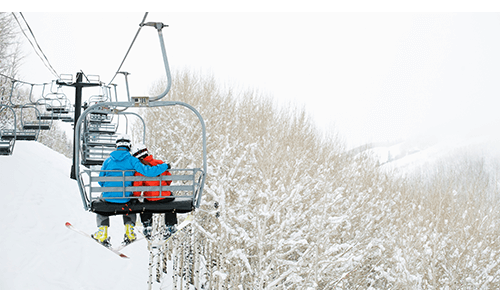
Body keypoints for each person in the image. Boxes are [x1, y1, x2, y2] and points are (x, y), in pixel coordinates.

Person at [91, 134, 171, 247]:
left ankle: (102, 233)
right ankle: (129, 232)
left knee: (101, 202)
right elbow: (148, 172)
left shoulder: (108, 161)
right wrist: (164, 166)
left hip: (108, 197)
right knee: (130, 200)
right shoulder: (132, 160)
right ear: (129, 146)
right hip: (125, 197)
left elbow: (100, 181)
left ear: (117, 145)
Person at [131, 143, 177, 240]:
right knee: (170, 200)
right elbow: (169, 179)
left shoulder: (140, 169)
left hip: (150, 199)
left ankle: (147, 225)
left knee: (145, 204)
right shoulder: (160, 164)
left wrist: (136, 196)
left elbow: (137, 187)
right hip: (165, 198)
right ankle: (170, 225)